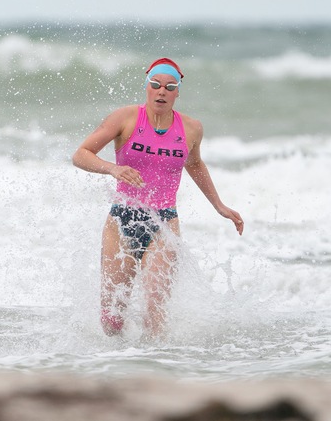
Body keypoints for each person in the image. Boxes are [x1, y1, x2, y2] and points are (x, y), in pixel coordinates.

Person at [72, 58, 244, 338]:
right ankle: (115, 364)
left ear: (177, 92)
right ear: (147, 87)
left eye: (169, 86)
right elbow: (81, 154)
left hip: (164, 224)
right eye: (155, 85)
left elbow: (195, 165)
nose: (161, 91)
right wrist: (113, 169)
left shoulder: (191, 129)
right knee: (111, 320)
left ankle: (152, 367)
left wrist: (219, 206)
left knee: (155, 312)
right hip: (121, 220)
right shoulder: (125, 118)